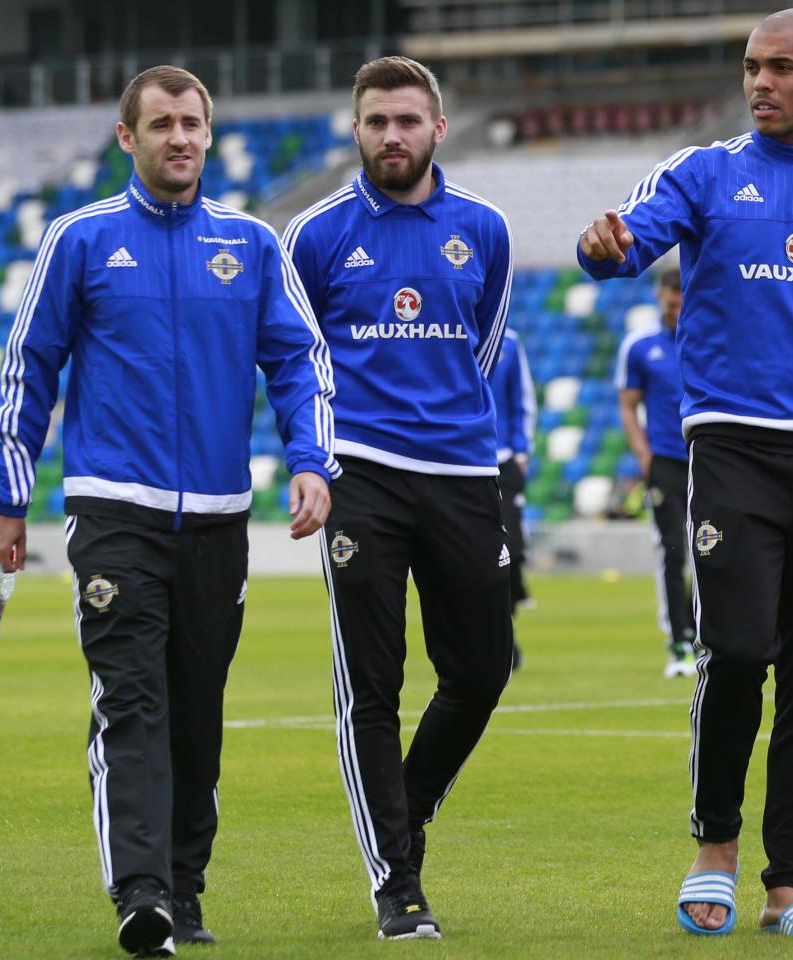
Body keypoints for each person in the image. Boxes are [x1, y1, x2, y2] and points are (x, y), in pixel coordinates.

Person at [578, 8, 793, 938]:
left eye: (780, 68)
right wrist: (603, 247)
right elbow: (629, 239)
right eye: (750, 67)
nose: (760, 83)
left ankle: (786, 881)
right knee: (736, 648)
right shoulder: (706, 171)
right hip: (733, 448)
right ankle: (714, 845)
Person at [0, 65, 337, 958]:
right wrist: (6, 499)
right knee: (131, 701)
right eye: (163, 124)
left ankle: (185, 889)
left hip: (218, 519)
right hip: (114, 514)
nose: (180, 138)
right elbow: (32, 365)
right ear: (127, 138)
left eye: (194, 124)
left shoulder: (252, 245)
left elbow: (298, 359)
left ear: (210, 137)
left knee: (197, 711)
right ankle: (141, 895)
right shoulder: (82, 239)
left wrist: (311, 462)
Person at [283, 56, 513, 942]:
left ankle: (404, 812)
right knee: (373, 684)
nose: (392, 136)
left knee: (482, 672)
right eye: (377, 121)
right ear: (356, 130)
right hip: (362, 478)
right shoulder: (315, 234)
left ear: (438, 127)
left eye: (408, 121)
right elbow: (298, 362)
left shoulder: (484, 230)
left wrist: (450, 435)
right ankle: (397, 880)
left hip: (462, 475)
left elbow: (480, 346)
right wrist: (321, 456)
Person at [615, 265, 696, 677]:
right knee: (672, 548)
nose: (677, 304)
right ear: (660, 296)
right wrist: (643, 453)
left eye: (683, 295)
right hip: (665, 459)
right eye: (671, 296)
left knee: (711, 549)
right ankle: (679, 639)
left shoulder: (709, 335)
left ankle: (704, 633)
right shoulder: (640, 345)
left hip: (709, 456)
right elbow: (628, 403)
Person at [490, 326, 536, 669]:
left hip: (504, 461)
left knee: (513, 551)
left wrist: (522, 450)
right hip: (462, 461)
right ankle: (491, 641)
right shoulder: (450, 329)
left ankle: (505, 632)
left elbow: (523, 400)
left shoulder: (510, 341)